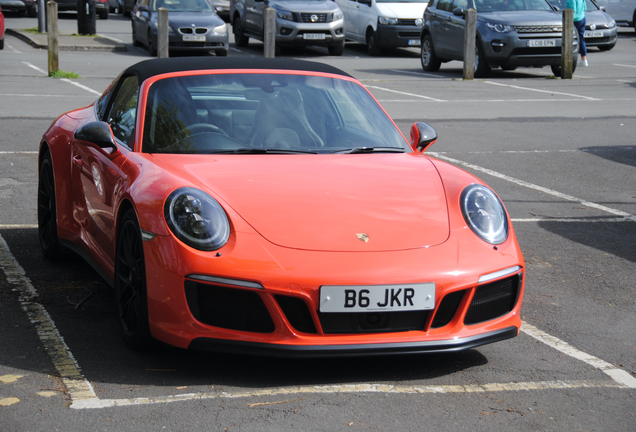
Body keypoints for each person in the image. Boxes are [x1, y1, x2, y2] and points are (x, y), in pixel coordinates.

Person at [565, 0, 588, 66]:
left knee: (570, 39)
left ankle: (570, 60)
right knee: (581, 39)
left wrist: (570, 21)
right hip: (582, 18)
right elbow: (585, 7)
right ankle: (584, 59)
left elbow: (572, 9)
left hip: (575, 20)